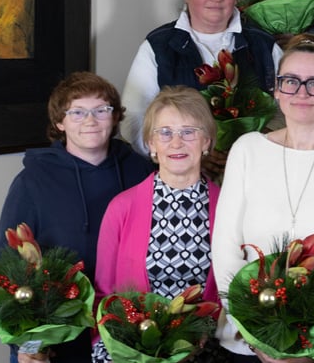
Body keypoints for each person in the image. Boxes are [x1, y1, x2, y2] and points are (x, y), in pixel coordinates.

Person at [212, 34, 314, 361]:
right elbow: (225, 248)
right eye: (291, 81)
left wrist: (309, 336)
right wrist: (255, 330)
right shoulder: (247, 149)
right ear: (276, 89)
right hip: (246, 336)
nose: (302, 93)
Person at [0, 72, 153, 363]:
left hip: (126, 326)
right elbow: (8, 268)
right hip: (56, 331)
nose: (90, 121)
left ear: (116, 116)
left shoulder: (140, 172)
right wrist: (26, 345)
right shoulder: (32, 181)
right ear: (60, 123)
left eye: (101, 110)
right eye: (77, 112)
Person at [92, 86, 221, 363]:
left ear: (207, 141)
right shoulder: (122, 207)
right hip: (135, 352)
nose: (176, 142)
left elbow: (233, 291)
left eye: (189, 131)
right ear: (151, 144)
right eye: (165, 132)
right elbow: (104, 294)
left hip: (206, 351)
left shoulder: (228, 206)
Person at [119, 0, 282, 158]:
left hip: (254, 166)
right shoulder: (158, 46)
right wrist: (185, 156)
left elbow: (286, 111)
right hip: (180, 173)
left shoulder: (264, 45)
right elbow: (133, 121)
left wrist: (253, 149)